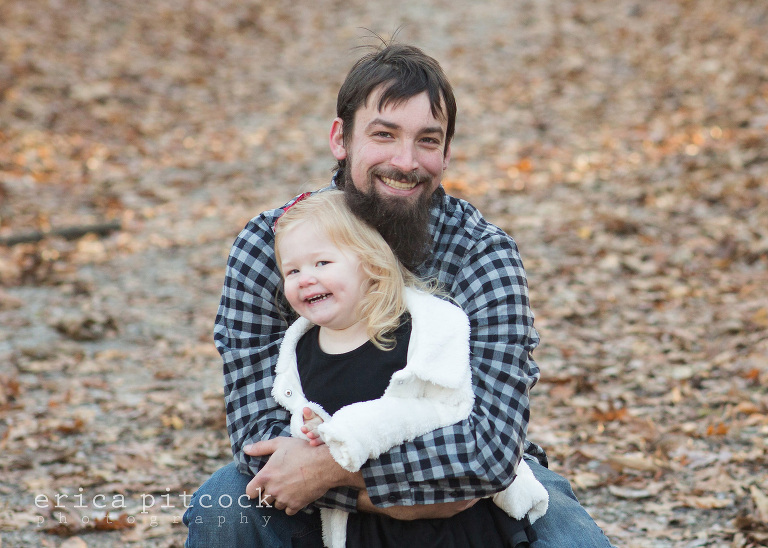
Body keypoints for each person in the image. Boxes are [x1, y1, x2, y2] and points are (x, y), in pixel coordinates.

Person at [184, 41, 615, 547]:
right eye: (384, 134)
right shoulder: (271, 245)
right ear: (341, 139)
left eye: (427, 140)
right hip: (336, 485)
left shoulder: (482, 254)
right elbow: (257, 434)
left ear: (446, 153)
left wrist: (336, 470)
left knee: (570, 539)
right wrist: (413, 494)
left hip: (483, 493)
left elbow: (490, 451)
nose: (405, 161)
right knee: (224, 509)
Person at [270, 190, 547, 547]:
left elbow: (451, 410)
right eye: (292, 270)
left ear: (370, 263)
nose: (305, 278)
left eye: (322, 263)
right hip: (361, 528)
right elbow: (302, 421)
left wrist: (350, 437)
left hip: (450, 527)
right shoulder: (300, 349)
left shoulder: (419, 331)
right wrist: (315, 431)